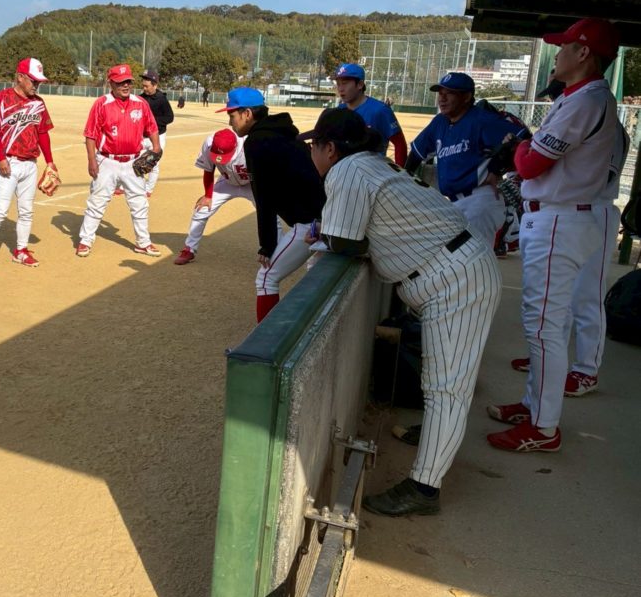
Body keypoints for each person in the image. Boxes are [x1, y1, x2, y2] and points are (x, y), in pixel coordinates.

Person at [301, 108, 500, 516]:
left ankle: (424, 489)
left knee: (447, 389)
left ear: (330, 148)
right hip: (452, 267)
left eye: (314, 146)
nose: (312, 154)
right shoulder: (369, 163)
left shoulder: (348, 170)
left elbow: (343, 241)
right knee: (443, 383)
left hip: (456, 277)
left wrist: (330, 236)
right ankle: (436, 435)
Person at [487, 18, 622, 453]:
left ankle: (544, 428)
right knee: (546, 323)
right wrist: (526, 149)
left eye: (564, 46)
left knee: (544, 325)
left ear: (583, 53)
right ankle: (534, 407)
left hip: (562, 219)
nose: (557, 52)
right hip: (558, 217)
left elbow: (529, 164)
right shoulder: (580, 96)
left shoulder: (588, 99)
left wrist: (521, 148)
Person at [507, 118, 629, 393]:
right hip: (566, 212)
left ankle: (586, 370)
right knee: (556, 295)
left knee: (586, 294)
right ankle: (550, 359)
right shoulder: (574, 119)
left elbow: (602, 178)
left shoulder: (607, 127)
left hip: (594, 210)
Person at [218, 87, 325, 321]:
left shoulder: (257, 142)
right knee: (318, 276)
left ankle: (265, 340)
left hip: (309, 223)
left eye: (232, 115)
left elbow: (263, 196)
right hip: (326, 217)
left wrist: (266, 245)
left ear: (247, 114)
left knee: (266, 278)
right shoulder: (283, 132)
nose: (230, 121)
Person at [404, 72, 529, 246]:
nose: (442, 98)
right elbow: (416, 153)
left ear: (466, 97)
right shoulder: (440, 122)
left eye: (450, 93)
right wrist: (403, 181)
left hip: (480, 200)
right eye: (440, 93)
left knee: (474, 257)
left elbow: (523, 138)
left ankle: (509, 221)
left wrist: (496, 168)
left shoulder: (481, 120)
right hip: (455, 203)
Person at [0, 58, 57, 271]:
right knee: (0, 211)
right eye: (33, 80)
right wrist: (1, 157)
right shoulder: (2, 98)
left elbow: (43, 133)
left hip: (30, 163)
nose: (36, 85)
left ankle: (21, 250)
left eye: (38, 82)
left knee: (26, 211)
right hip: (8, 163)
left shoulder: (38, 103)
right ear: (20, 77)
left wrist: (50, 162)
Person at [76, 64, 162, 258]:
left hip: (133, 162)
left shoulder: (140, 103)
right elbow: (90, 135)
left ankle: (143, 243)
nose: (125, 85)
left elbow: (152, 127)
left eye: (128, 82)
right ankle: (85, 240)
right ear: (111, 84)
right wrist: (91, 160)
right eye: (120, 82)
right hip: (107, 161)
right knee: (97, 202)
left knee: (139, 203)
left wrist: (156, 147)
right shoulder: (101, 104)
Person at [172, 127, 254, 265]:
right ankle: (189, 249)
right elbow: (208, 170)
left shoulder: (250, 144)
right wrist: (208, 196)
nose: (220, 159)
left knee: (270, 216)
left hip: (252, 184)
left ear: (236, 146)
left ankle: (277, 250)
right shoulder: (209, 143)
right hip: (227, 182)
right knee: (201, 210)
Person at [332, 62, 407, 166]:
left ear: (360, 84)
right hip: (345, 171)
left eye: (344, 83)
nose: (340, 89)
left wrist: (400, 172)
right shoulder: (339, 111)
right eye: (338, 84)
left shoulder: (380, 110)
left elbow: (400, 144)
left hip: (373, 171)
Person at [139, 69, 174, 195]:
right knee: (136, 162)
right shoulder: (140, 98)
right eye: (143, 86)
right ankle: (134, 186)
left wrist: (152, 122)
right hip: (142, 136)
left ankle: (148, 189)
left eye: (147, 86)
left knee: (152, 164)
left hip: (158, 136)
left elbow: (169, 117)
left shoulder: (161, 99)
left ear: (154, 85)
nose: (144, 88)